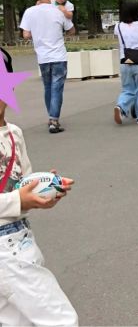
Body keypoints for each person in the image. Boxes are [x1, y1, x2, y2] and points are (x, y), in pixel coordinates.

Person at [0, 92, 78, 325]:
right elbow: (18, 198)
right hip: (8, 252)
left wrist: (46, 189)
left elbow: (22, 184)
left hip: (20, 237)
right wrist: (18, 200)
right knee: (62, 321)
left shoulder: (14, 134)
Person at [19, 0, 75, 134]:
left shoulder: (29, 12)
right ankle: (54, 120)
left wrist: (38, 33)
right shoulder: (58, 11)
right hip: (58, 55)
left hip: (42, 56)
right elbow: (71, 30)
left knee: (48, 87)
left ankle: (51, 116)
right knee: (57, 87)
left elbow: (26, 35)